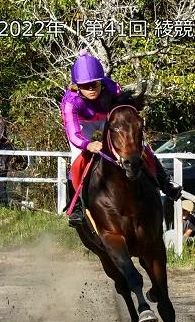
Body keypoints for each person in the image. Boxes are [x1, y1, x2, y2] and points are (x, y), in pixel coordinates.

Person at [62, 50, 183, 226]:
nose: (91, 89)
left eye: (94, 84)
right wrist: (88, 145)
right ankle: (77, 206)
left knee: (139, 145)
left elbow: (123, 114)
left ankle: (165, 182)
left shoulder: (112, 88)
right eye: (85, 85)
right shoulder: (70, 102)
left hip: (108, 119)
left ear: (101, 81)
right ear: (77, 86)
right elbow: (73, 134)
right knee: (77, 160)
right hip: (83, 125)